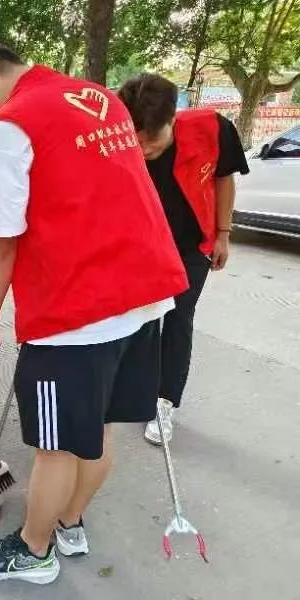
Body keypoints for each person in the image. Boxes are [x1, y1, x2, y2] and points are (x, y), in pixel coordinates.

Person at [0, 44, 189, 585]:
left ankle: (33, 551)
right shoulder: (100, 97)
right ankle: (70, 522)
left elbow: (1, 242)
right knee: (98, 432)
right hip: (143, 298)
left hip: (77, 311)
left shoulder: (8, 129)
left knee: (55, 447)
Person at [118, 74, 249, 445]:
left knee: (178, 320)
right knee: (139, 321)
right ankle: (133, 392)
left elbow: (223, 179)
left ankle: (164, 402)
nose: (143, 149)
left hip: (191, 247)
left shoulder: (212, 129)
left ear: (173, 118)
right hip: (140, 247)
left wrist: (223, 234)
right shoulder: (117, 139)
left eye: (152, 140)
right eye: (137, 140)